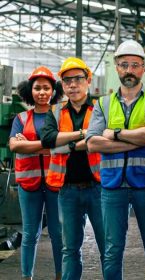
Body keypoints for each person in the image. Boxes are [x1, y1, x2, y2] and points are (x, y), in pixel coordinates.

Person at [86, 40, 145, 280]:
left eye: (134, 65)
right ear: (116, 68)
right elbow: (92, 143)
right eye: (124, 65)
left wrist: (115, 133)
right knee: (112, 251)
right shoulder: (103, 103)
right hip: (112, 188)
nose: (129, 70)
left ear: (144, 68)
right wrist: (138, 137)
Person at [40, 57, 105, 280]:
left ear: (88, 80)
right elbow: (48, 139)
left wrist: (65, 145)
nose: (73, 85)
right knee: (70, 249)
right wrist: (81, 135)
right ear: (63, 85)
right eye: (67, 80)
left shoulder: (100, 108)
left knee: (108, 248)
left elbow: (102, 137)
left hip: (99, 188)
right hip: (67, 191)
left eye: (78, 79)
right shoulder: (55, 111)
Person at [9, 66, 64, 280]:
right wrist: (49, 144)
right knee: (30, 234)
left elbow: (66, 146)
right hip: (28, 185)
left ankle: (61, 276)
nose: (41, 92)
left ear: (53, 91)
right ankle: (26, 277)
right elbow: (14, 146)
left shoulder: (61, 116)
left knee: (58, 234)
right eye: (37, 88)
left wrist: (29, 144)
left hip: (55, 183)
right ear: (29, 91)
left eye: (46, 88)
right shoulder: (21, 119)